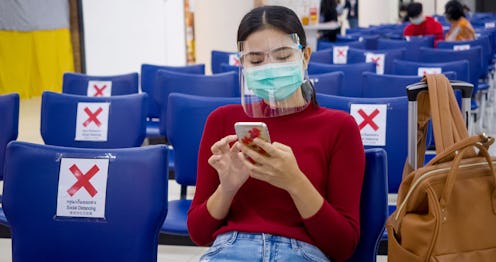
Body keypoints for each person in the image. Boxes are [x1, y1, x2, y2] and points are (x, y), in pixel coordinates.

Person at [187, 5, 365, 262]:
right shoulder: (222, 121)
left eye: (282, 57)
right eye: (256, 60)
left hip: (303, 253)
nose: (269, 68)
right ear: (242, 64)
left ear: (305, 57)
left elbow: (342, 245)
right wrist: (227, 188)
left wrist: (294, 181)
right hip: (230, 250)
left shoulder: (340, 127)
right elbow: (199, 232)